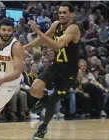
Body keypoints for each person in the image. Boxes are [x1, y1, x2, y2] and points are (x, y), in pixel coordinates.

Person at [23, 2, 81, 139]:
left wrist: (37, 30)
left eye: (65, 12)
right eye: (60, 12)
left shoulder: (74, 28)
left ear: (71, 14)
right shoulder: (56, 25)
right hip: (56, 66)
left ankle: (42, 128)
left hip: (69, 72)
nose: (61, 15)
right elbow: (42, 39)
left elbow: (57, 45)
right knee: (34, 89)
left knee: (54, 100)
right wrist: (25, 46)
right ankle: (44, 100)